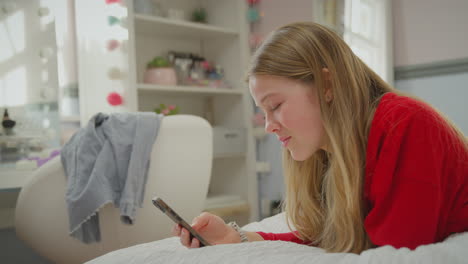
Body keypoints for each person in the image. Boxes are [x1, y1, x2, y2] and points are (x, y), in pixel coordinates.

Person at [172, 22, 468, 254]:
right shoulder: (330, 151)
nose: (268, 126)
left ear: (327, 85)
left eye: (275, 106)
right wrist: (236, 236)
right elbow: (331, 237)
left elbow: (394, 251)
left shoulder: (404, 122)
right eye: (263, 112)